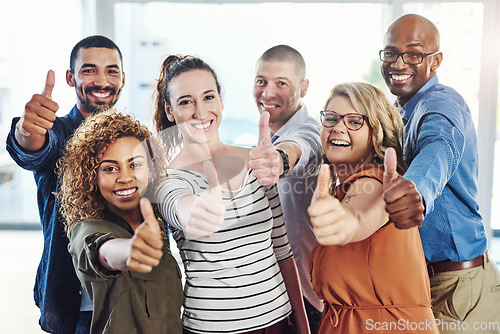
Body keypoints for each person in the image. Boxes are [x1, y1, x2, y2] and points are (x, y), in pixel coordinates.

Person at [153, 55, 310, 334]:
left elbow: (282, 250)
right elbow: (179, 207)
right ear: (169, 111)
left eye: (208, 97)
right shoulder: (167, 180)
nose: (200, 112)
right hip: (211, 328)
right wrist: (199, 210)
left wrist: (303, 326)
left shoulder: (257, 161)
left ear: (221, 101)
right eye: (186, 101)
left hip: (278, 322)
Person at [380, 14, 500, 333]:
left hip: (457, 290)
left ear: (436, 61)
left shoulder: (442, 105)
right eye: (390, 52)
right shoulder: (401, 110)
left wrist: (415, 190)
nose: (399, 62)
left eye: (414, 53)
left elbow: (438, 149)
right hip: (426, 283)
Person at [5, 35, 125, 333]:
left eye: (112, 70)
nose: (102, 80)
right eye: (89, 70)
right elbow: (34, 149)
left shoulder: (131, 138)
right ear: (71, 78)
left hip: (126, 302)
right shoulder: (56, 130)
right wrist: (26, 130)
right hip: (75, 308)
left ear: (123, 79)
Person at [308, 82, 437, 334]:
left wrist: (341, 223)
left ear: (375, 132)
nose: (338, 128)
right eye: (331, 118)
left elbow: (357, 218)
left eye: (354, 121)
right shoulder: (343, 187)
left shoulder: (375, 182)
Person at [56, 110, 183, 333]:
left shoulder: (155, 223)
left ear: (151, 169)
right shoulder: (88, 229)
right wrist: (130, 250)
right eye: (110, 168)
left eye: (134, 164)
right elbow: (104, 252)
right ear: (91, 177)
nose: (125, 177)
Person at [249, 45, 323, 333]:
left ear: (303, 88)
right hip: (273, 297)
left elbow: (302, 148)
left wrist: (279, 159)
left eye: (282, 83)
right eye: (261, 81)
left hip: (307, 298)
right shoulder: (264, 138)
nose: (268, 93)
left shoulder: (311, 131)